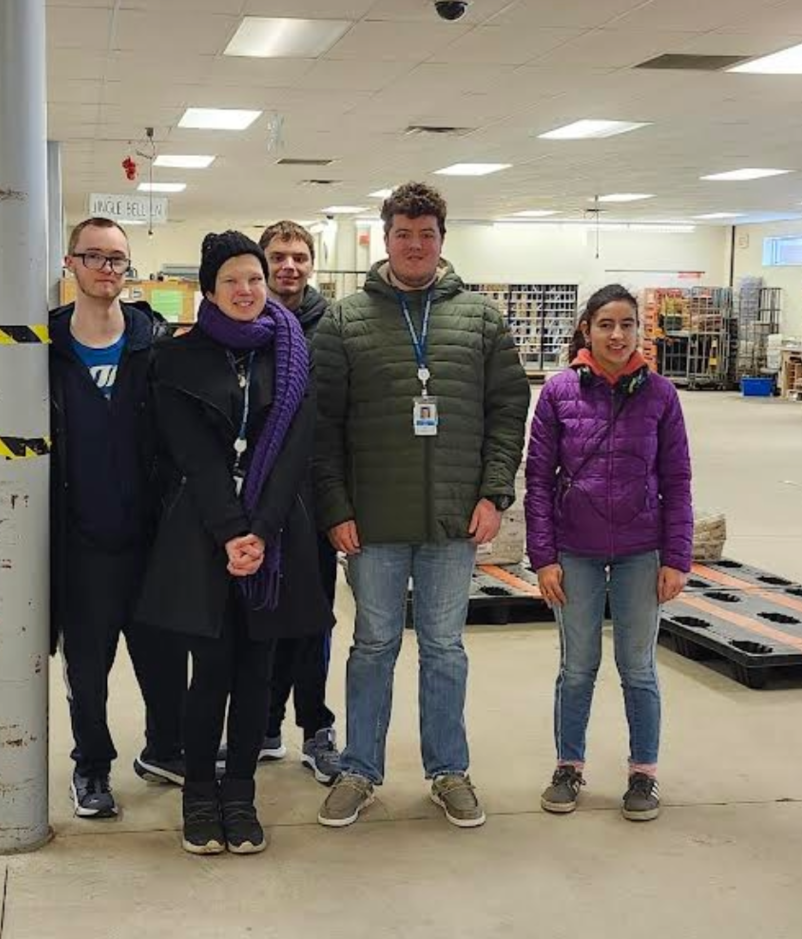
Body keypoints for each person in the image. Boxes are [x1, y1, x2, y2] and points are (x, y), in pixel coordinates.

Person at [314, 181, 530, 829]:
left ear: (442, 239)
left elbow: (507, 410)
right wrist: (335, 508)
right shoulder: (345, 318)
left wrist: (494, 494)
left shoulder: (482, 318)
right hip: (372, 524)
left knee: (445, 648)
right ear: (384, 239)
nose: (414, 245)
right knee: (372, 645)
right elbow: (322, 426)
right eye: (403, 233)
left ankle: (448, 769)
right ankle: (359, 768)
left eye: (426, 234)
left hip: (451, 522)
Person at [136, 231, 332, 855]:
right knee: (212, 670)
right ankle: (199, 795)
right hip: (204, 534)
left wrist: (263, 531)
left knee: (257, 671)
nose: (247, 290)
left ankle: (241, 795)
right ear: (209, 290)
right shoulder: (177, 358)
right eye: (232, 281)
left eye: (254, 277)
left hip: (275, 535)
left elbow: (298, 451)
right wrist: (232, 533)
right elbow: (192, 456)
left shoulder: (294, 354)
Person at [524, 283, 694, 821]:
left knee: (637, 667)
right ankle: (568, 767)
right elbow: (538, 482)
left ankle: (643, 774)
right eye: (605, 325)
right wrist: (543, 557)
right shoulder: (557, 394)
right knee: (577, 667)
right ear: (587, 330)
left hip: (642, 552)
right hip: (574, 551)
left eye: (626, 325)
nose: (616, 335)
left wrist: (677, 558)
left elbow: (677, 480)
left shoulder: (662, 396)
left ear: (639, 331)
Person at [50, 217, 186, 820]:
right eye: (95, 257)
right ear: (71, 264)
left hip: (150, 539)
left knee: (161, 656)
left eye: (118, 260)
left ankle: (164, 749)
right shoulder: (43, 344)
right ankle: (92, 767)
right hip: (81, 542)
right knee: (89, 664)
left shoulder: (150, 342)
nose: (108, 269)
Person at [250, 220, 341, 784]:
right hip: (256, 493)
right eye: (278, 256)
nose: (289, 265)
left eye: (299, 256)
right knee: (258, 610)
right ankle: (262, 723)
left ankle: (316, 727)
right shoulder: (245, 320)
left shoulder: (335, 326)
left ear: (312, 263)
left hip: (314, 493)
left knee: (315, 617)